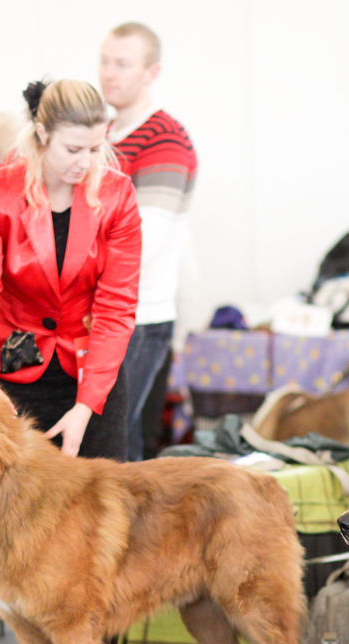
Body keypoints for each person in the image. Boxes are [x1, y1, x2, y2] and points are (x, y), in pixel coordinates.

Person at [0, 79, 141, 644]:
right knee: (23, 527)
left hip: (94, 376)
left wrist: (89, 405)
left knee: (101, 535)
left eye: (96, 148)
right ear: (41, 136)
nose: (86, 163)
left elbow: (116, 307)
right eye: (73, 149)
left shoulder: (117, 195)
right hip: (13, 377)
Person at [100, 22, 198, 461]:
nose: (108, 72)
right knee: (110, 440)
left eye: (122, 64)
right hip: (99, 310)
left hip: (140, 315)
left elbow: (144, 237)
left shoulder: (165, 138)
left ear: (151, 72)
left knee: (116, 443)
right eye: (104, 61)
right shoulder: (101, 135)